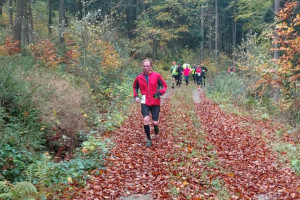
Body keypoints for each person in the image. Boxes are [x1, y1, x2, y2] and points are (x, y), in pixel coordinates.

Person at [133, 59, 168, 147]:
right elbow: (135, 87)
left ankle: (156, 126)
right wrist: (136, 96)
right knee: (146, 119)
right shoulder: (139, 77)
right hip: (145, 102)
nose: (146, 68)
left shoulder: (156, 75)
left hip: (155, 102)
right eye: (144, 66)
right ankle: (148, 139)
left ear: (151, 67)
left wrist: (160, 93)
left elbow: (164, 85)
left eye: (147, 66)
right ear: (142, 67)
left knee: (155, 122)